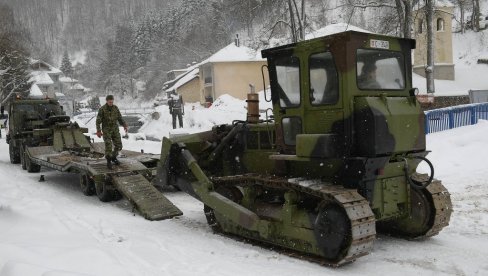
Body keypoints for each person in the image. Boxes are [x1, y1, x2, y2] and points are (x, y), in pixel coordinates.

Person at [96, 95, 128, 169]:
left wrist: (124, 125)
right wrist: (98, 130)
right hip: (106, 130)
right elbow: (98, 121)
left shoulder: (115, 108)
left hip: (115, 129)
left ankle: (113, 157)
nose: (111, 103)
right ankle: (108, 161)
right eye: (109, 102)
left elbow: (120, 118)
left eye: (112, 101)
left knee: (119, 145)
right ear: (107, 101)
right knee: (108, 146)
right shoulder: (102, 109)